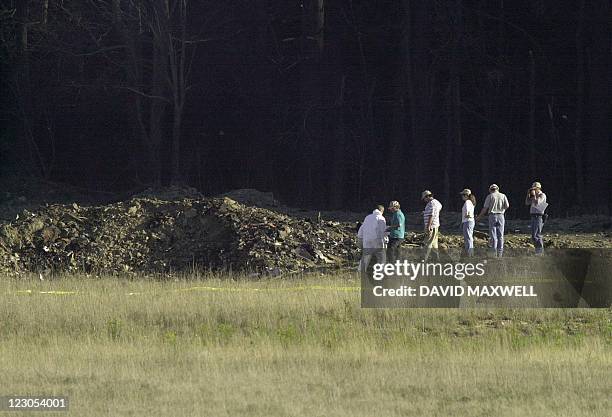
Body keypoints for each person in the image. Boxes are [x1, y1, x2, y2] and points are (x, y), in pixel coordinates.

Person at [476, 184, 509, 257]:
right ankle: (500, 253)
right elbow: (507, 206)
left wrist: (479, 217)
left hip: (492, 216)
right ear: (497, 189)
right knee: (500, 235)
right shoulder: (503, 195)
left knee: (493, 235)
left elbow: (485, 208)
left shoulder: (490, 196)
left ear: (490, 190)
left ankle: (494, 253)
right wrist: (502, 210)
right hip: (501, 216)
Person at [357, 205, 388, 271]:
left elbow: (361, 229)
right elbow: (383, 231)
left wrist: (360, 239)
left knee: (365, 257)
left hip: (367, 240)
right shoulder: (381, 218)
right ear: (381, 211)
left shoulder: (367, 217)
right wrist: (385, 240)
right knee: (381, 258)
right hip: (377, 241)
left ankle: (360, 272)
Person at [525, 181, 548, 255]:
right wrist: (528, 195)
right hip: (533, 216)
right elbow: (527, 203)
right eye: (533, 189)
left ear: (539, 188)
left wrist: (534, 195)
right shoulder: (533, 196)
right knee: (533, 235)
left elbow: (537, 202)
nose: (533, 190)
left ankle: (540, 252)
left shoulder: (542, 195)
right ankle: (537, 251)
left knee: (537, 235)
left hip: (538, 216)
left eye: (535, 189)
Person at [421, 190, 442, 261]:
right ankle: (436, 258)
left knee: (428, 242)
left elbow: (431, 215)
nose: (424, 200)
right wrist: (425, 212)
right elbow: (437, 210)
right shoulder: (437, 202)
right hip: (436, 225)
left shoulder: (431, 203)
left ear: (427, 197)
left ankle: (424, 259)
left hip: (431, 226)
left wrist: (428, 226)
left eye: (424, 198)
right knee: (434, 243)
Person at [459, 189, 476, 257]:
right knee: (469, 237)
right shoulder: (470, 202)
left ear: (466, 195)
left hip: (468, 221)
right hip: (470, 221)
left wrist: (466, 216)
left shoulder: (467, 202)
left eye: (463, 195)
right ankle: (470, 253)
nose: (462, 196)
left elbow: (468, 212)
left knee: (468, 238)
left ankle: (469, 254)